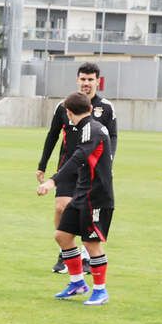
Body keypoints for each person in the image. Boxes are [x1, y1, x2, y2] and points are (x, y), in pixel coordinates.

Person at [36, 62, 117, 273]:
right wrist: (42, 165)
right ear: (77, 80)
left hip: (89, 173)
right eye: (83, 79)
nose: (86, 83)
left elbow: (110, 137)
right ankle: (67, 252)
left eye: (90, 79)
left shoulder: (104, 110)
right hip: (67, 168)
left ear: (97, 81)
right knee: (61, 208)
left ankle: (86, 258)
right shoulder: (64, 105)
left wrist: (109, 160)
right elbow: (52, 135)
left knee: (88, 226)